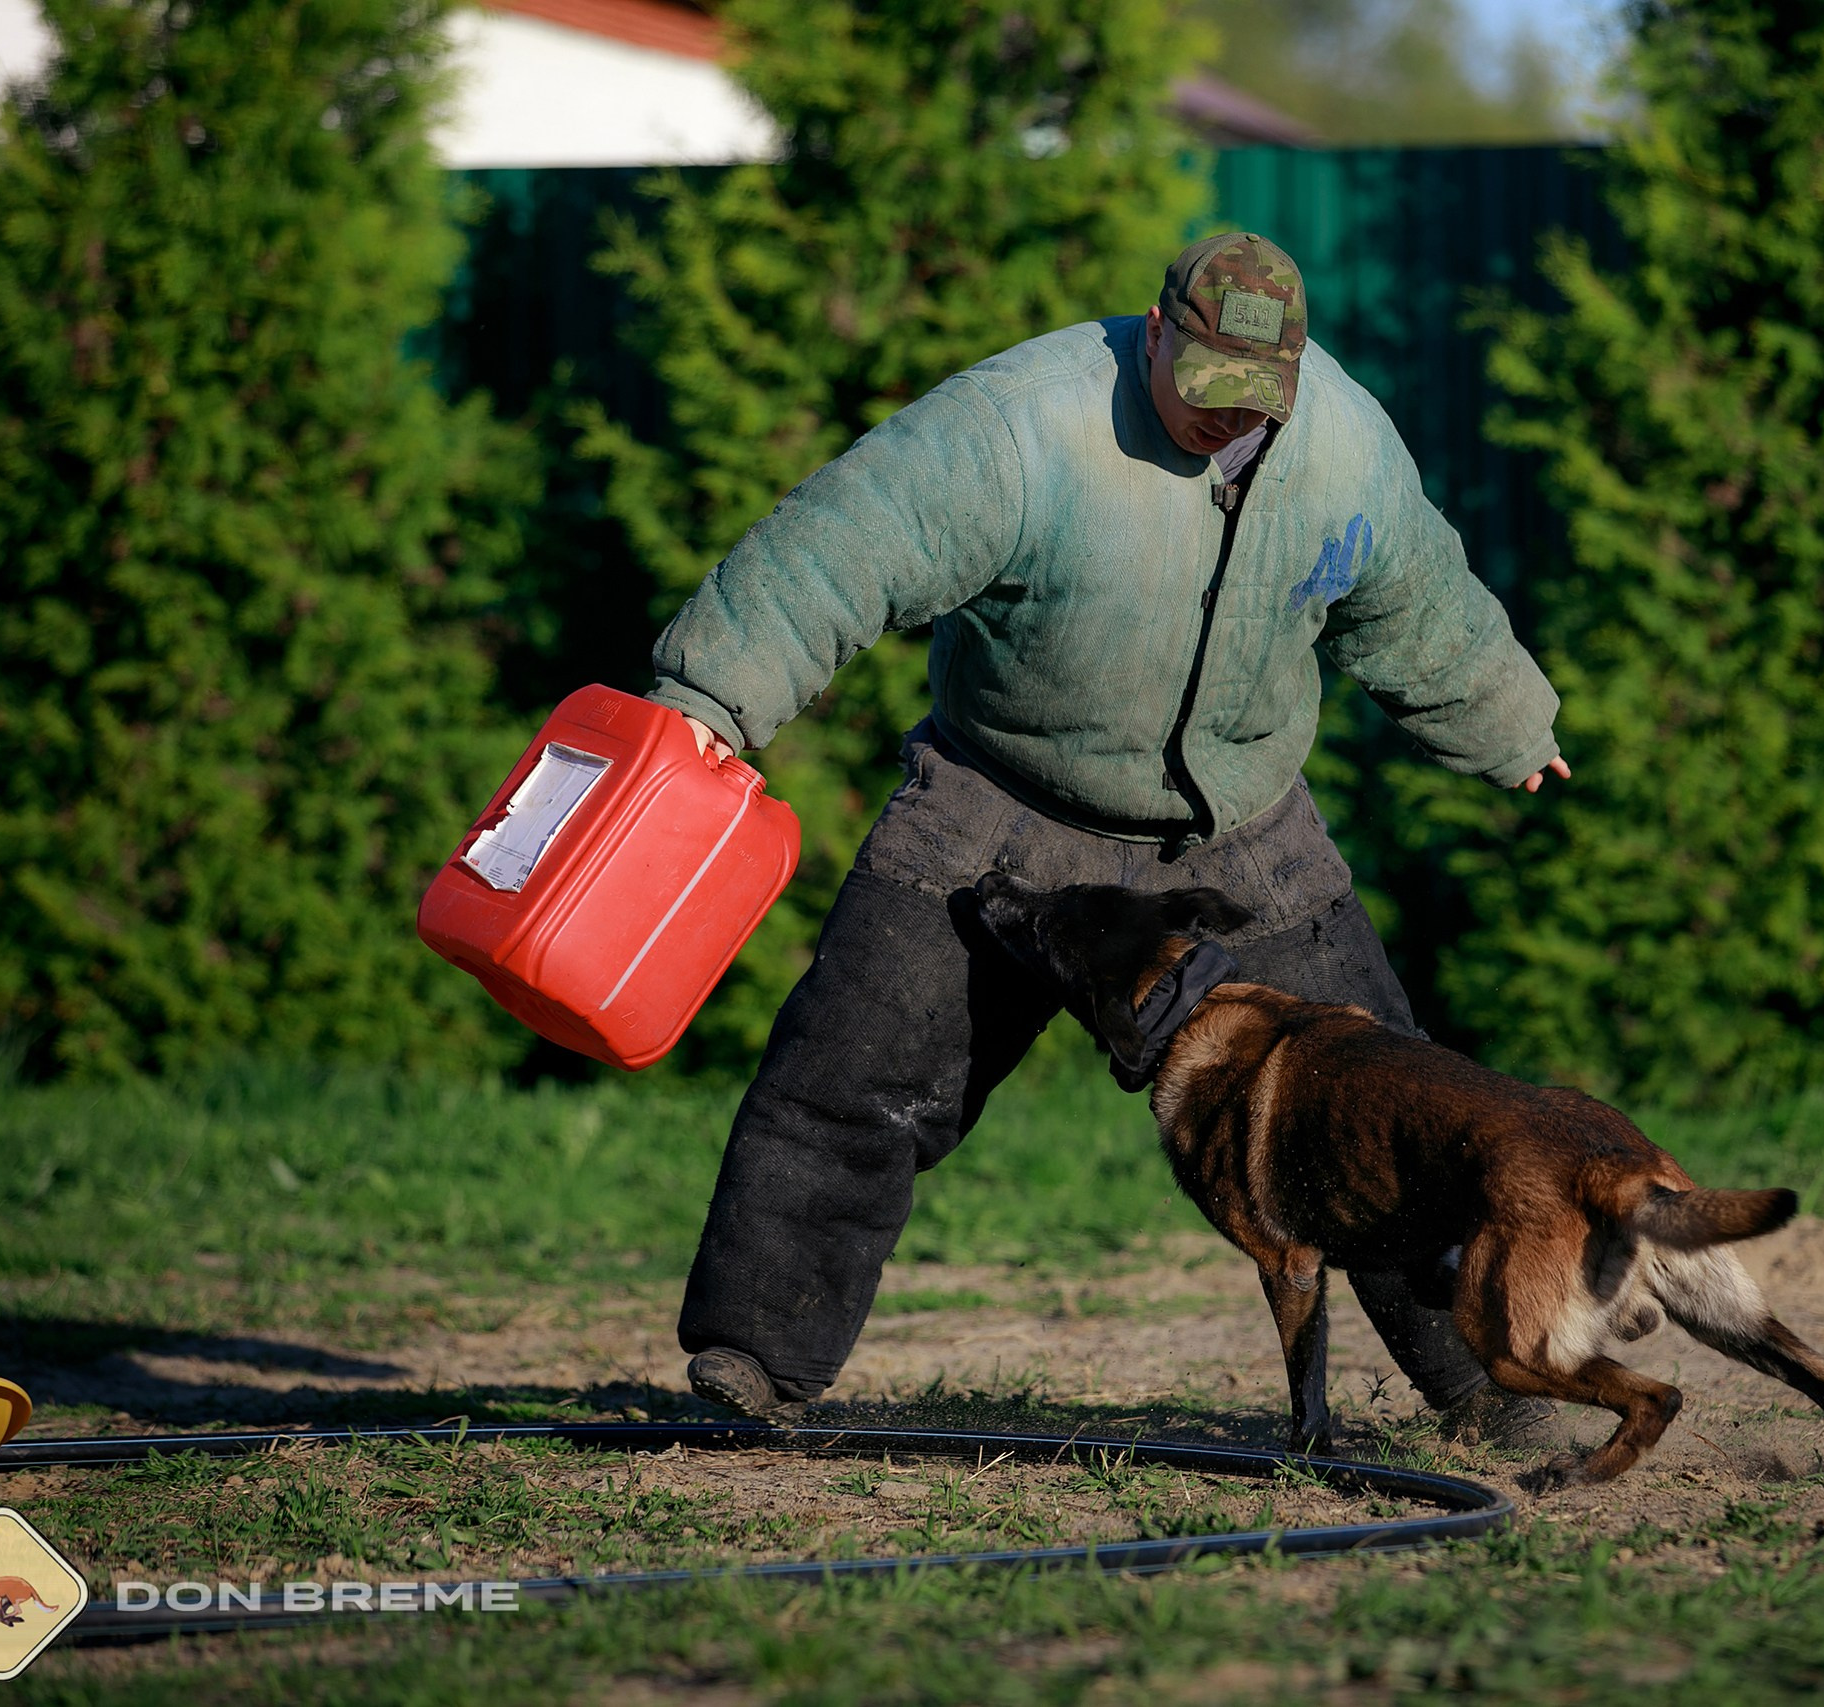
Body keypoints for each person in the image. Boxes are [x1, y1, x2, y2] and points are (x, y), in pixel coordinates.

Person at [648, 231, 1572, 1443]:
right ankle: (752, 1363)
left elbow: (1417, 601)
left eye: (1251, 402)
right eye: (1201, 390)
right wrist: (709, 704)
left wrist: (1506, 720)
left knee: (1387, 1113)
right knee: (851, 1077)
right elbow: (840, 544)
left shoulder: (1343, 446)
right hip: (998, 801)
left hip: (1239, 827)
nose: (1219, 421)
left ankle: (1498, 1385)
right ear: (1155, 332)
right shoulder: (1021, 426)